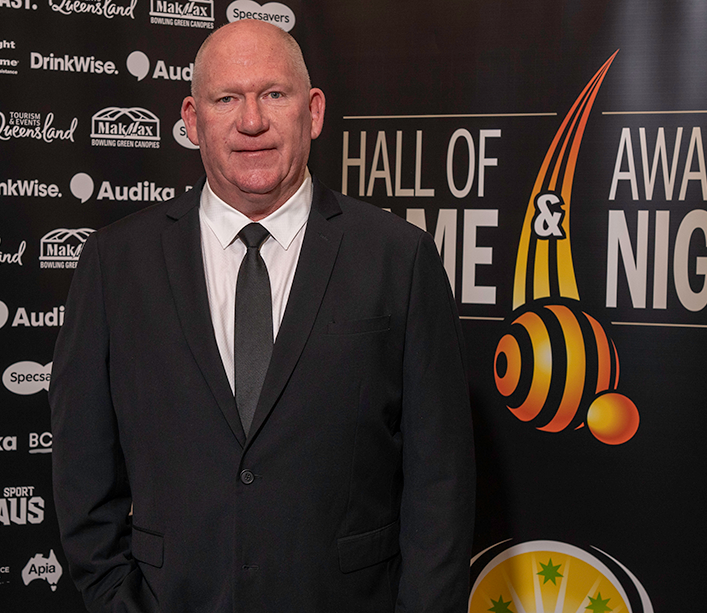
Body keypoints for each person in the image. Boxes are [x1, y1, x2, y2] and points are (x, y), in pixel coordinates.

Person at [50, 19, 474, 613]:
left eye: (274, 94)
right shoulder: (114, 263)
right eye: (227, 99)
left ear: (314, 111)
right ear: (192, 120)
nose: (252, 121)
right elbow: (82, 470)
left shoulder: (399, 258)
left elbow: (441, 482)